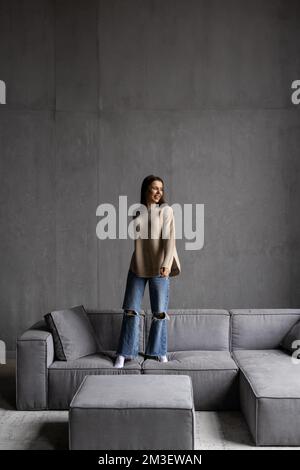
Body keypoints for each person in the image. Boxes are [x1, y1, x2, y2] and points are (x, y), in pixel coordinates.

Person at [114, 174, 181, 368]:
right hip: (138, 265)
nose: (159, 192)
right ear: (146, 190)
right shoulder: (137, 211)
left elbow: (170, 239)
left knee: (159, 312)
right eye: (154, 188)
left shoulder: (166, 210)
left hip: (160, 266)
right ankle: (125, 353)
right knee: (130, 310)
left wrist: (167, 263)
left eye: (161, 188)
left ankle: (159, 352)